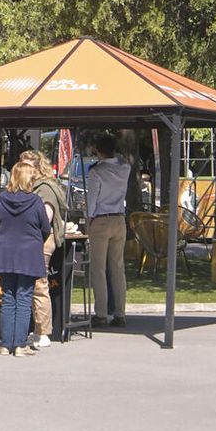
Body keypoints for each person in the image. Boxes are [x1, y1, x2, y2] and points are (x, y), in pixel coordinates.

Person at [0, 160, 51, 357]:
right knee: (24, 299)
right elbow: (46, 228)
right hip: (28, 254)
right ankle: (19, 345)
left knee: (8, 299)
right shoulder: (35, 201)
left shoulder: (2, 198)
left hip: (5, 254)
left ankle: (5, 344)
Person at [22, 149, 67, 348]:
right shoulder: (40, 186)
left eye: (26, 166)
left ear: (37, 167)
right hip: (37, 240)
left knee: (39, 285)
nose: (22, 169)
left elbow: (44, 219)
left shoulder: (44, 188)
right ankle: (39, 330)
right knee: (36, 285)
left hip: (42, 241)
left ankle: (43, 332)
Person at [86, 133, 131, 326]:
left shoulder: (97, 171)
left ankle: (102, 313)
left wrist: (88, 221)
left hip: (101, 219)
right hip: (119, 218)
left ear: (98, 151)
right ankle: (120, 312)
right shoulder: (125, 168)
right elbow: (122, 161)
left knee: (99, 269)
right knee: (118, 268)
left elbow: (92, 201)